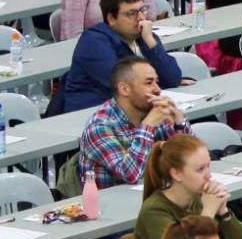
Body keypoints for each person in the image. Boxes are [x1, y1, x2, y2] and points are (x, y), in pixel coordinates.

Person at [130, 135, 242, 239]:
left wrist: (224, 212)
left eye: (209, 166)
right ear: (177, 173)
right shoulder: (155, 211)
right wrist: (208, 214)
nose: (208, 175)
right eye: (200, 169)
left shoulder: (200, 199)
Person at [76, 57, 191, 190]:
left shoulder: (156, 112)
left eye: (157, 82)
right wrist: (147, 127)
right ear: (124, 89)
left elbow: (190, 159)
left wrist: (179, 122)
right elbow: (131, 175)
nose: (157, 89)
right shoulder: (99, 127)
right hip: (114, 205)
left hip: (156, 193)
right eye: (149, 83)